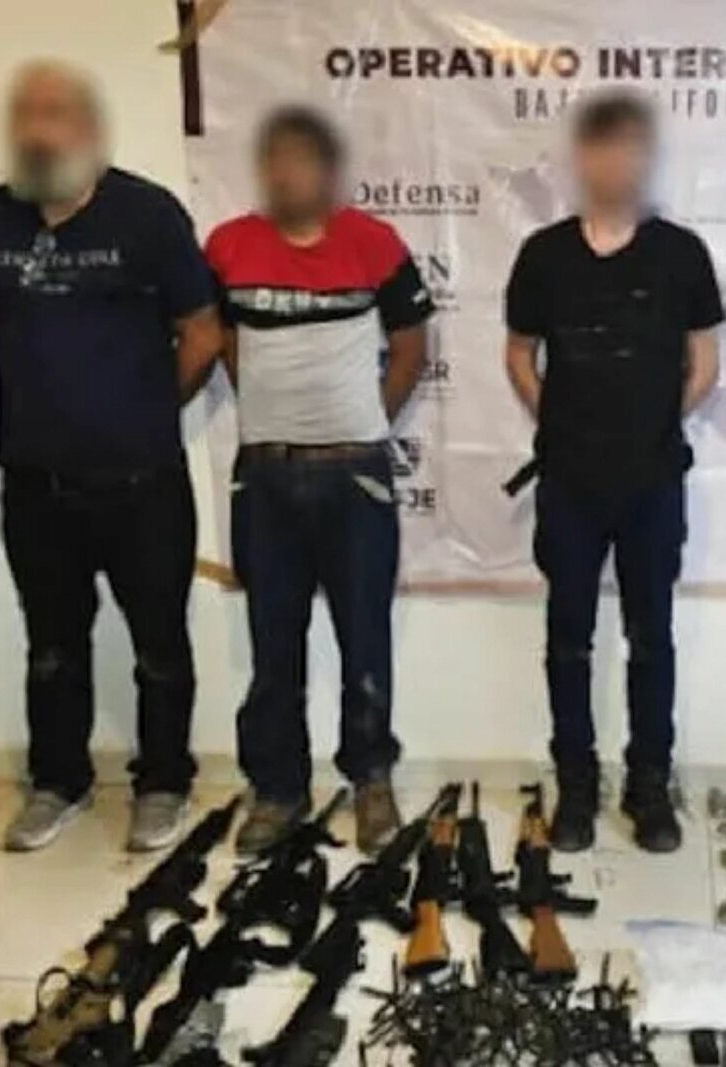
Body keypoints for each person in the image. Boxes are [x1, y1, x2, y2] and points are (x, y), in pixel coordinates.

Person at [0, 61, 223, 853]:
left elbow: (203, 330)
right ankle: (59, 782)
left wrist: (141, 410)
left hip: (143, 481)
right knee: (51, 646)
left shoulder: (147, 215)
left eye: (57, 113)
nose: (39, 129)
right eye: (26, 113)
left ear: (91, 128)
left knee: (159, 646)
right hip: (35, 481)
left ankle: (164, 782)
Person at [204, 107, 432, 856]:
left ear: (328, 171)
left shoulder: (374, 243)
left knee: (364, 639)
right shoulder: (228, 247)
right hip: (265, 479)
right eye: (274, 160)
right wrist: (270, 413)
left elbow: (411, 346)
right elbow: (220, 340)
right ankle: (278, 790)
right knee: (274, 644)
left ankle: (371, 782)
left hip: (353, 476)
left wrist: (366, 421)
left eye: (301, 160)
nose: (286, 174)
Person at [503, 91, 723, 854]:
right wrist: (560, 420)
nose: (614, 162)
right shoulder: (544, 255)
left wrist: (651, 421)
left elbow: (704, 362)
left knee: (650, 637)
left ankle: (648, 787)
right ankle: (576, 786)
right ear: (580, 160)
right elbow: (518, 354)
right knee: (568, 638)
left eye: (629, 147)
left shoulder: (681, 254)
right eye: (600, 148)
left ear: (645, 158)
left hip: (652, 482)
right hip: (569, 484)